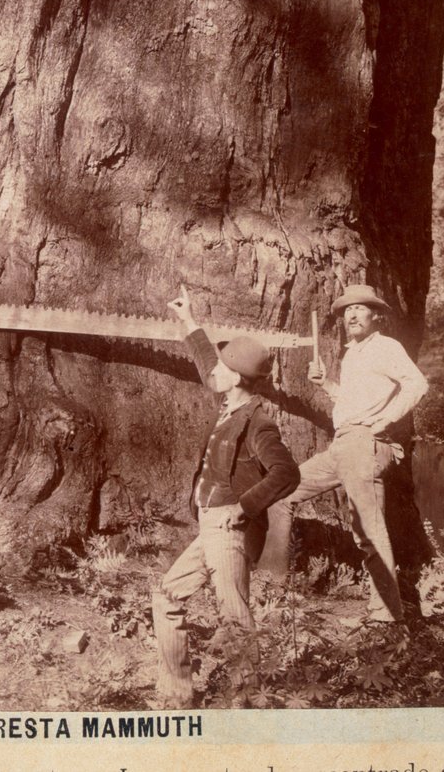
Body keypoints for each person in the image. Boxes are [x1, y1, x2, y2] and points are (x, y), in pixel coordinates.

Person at [151, 286, 300, 707]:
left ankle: (247, 702)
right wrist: (189, 321)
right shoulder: (231, 404)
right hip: (211, 526)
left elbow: (286, 473)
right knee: (167, 595)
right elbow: (207, 368)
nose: (218, 369)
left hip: (229, 528)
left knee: (234, 618)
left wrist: (244, 506)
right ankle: (176, 695)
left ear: (236, 376)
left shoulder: (257, 422)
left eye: (225, 364)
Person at [270, 283, 428, 628]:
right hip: (342, 445)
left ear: (376, 316)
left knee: (367, 531)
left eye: (360, 308)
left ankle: (387, 619)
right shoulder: (353, 353)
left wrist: (383, 421)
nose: (352, 314)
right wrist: (326, 384)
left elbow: (417, 384)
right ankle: (271, 587)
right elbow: (354, 402)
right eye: (346, 310)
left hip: (364, 443)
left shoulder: (385, 346)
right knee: (281, 495)